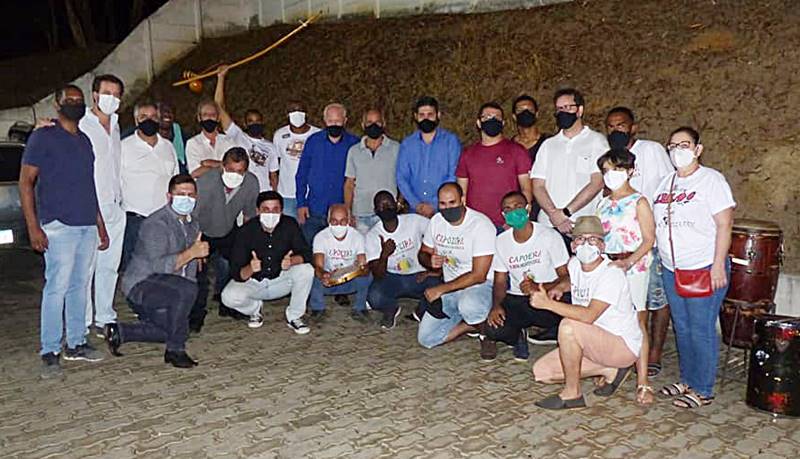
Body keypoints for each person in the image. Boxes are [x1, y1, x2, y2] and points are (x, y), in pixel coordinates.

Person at [19, 85, 109, 378]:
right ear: (57, 104)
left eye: (79, 101)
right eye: (69, 100)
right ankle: (49, 349)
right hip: (57, 224)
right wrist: (33, 226)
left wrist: (100, 224)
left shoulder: (84, 141)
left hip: (85, 222)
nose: (74, 104)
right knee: (56, 286)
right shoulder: (43, 137)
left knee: (79, 285)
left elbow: (88, 184)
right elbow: (25, 182)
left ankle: (76, 342)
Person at [653, 127, 735, 409]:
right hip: (672, 268)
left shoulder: (712, 180)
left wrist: (717, 266)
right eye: (673, 145)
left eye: (684, 144)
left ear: (698, 149)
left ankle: (703, 388)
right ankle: (688, 379)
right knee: (683, 327)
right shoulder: (666, 182)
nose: (678, 150)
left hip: (703, 266)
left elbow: (725, 224)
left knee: (701, 328)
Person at [531, 216, 642, 410]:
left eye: (593, 239)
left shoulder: (611, 273)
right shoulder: (574, 264)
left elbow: (589, 315)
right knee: (541, 372)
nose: (586, 244)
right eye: (581, 239)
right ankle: (609, 369)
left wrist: (547, 304)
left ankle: (572, 394)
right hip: (592, 341)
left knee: (568, 326)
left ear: (602, 245)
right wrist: (561, 288)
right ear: (573, 245)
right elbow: (574, 280)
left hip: (620, 345)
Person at [108, 174, 206, 368]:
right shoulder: (156, 223)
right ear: (169, 196)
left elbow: (191, 269)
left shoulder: (193, 223)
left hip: (173, 289)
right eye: (181, 194)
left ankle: (120, 331)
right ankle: (175, 350)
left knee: (175, 326)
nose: (186, 199)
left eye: (190, 195)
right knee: (185, 294)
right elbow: (158, 266)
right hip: (142, 284)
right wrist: (192, 253)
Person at [605, 106, 674, 376]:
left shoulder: (652, 150)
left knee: (655, 301)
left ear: (634, 127)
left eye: (621, 125)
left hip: (649, 241)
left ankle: (654, 351)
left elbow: (670, 185)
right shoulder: (611, 159)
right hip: (620, 246)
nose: (615, 131)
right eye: (610, 127)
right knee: (628, 304)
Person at [596, 148, 656, 405]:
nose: (611, 175)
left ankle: (643, 380)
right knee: (607, 317)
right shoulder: (602, 203)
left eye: (617, 169)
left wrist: (629, 261)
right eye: (606, 170)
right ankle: (610, 367)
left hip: (634, 264)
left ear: (630, 171)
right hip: (608, 265)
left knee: (637, 320)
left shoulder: (639, 201)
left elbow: (649, 238)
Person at [482, 191, 569, 361]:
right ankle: (517, 337)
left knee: (571, 310)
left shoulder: (548, 235)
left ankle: (555, 330)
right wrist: (496, 306)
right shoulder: (501, 241)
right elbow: (500, 281)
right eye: (508, 209)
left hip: (549, 296)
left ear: (528, 208)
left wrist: (539, 287)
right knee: (494, 328)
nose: (513, 212)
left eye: (518, 207)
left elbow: (566, 277)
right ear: (503, 215)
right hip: (518, 298)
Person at [221, 191, 314, 334]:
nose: (271, 214)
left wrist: (292, 261)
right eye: (266, 209)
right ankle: (254, 309)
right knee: (228, 297)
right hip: (254, 282)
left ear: (281, 211)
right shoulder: (245, 231)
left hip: (281, 279)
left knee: (306, 270)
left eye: (275, 210)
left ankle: (295, 316)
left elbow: (307, 254)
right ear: (257, 211)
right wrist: (251, 268)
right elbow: (236, 272)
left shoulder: (290, 225)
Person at [417, 182, 495, 350]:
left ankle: (486, 336)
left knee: (469, 304)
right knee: (426, 339)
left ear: (463, 200)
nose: (447, 208)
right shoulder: (436, 221)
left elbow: (478, 275)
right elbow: (423, 252)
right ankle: (470, 325)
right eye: (442, 204)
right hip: (452, 287)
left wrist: (441, 289)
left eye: (452, 203)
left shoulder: (480, 225)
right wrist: (429, 260)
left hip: (480, 286)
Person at [192, 147, 259, 331]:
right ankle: (196, 315)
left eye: (240, 172)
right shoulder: (207, 181)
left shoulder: (251, 183)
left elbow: (249, 216)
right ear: (222, 166)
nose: (235, 175)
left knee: (233, 267)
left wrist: (247, 246)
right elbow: (194, 216)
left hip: (228, 229)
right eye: (230, 171)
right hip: (203, 232)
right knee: (199, 274)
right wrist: (196, 247)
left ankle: (227, 305)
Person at [79, 74, 126, 337]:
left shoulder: (117, 126)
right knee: (87, 266)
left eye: (116, 94)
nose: (112, 98)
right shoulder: (83, 124)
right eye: (106, 92)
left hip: (116, 205)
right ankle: (84, 320)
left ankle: (105, 315)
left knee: (110, 265)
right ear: (94, 95)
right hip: (90, 206)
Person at [530, 88, 607, 246]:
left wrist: (566, 212)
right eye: (559, 108)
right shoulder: (548, 145)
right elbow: (537, 185)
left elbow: (597, 182)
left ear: (579, 110)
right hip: (549, 224)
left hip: (583, 226)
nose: (563, 112)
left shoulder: (596, 141)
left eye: (568, 107)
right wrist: (554, 214)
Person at [366, 191, 440, 330]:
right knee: (374, 297)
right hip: (393, 278)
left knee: (440, 287)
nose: (386, 208)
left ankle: (420, 312)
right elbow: (378, 275)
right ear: (376, 211)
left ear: (396, 204)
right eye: (381, 206)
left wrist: (432, 271)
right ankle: (391, 309)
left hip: (419, 275)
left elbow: (438, 234)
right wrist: (384, 255)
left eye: (389, 204)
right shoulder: (373, 235)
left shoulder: (414, 220)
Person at [120, 101, 179, 270]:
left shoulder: (168, 147)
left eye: (154, 117)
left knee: (162, 269)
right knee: (136, 272)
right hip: (136, 220)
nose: (149, 120)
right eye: (143, 117)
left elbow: (175, 181)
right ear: (136, 120)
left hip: (163, 220)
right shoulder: (124, 147)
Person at [456, 102, 532, 230]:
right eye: (487, 116)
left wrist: (516, 219)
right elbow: (461, 192)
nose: (492, 120)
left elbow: (526, 189)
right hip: (475, 225)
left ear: (503, 123)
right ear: (479, 123)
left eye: (496, 117)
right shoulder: (467, 154)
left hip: (506, 224)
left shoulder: (517, 151)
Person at [295, 103, 360, 243]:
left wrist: (352, 210)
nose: (334, 124)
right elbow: (302, 174)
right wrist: (301, 204)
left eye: (338, 121)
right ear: (324, 121)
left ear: (345, 120)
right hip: (315, 210)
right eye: (331, 121)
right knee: (309, 250)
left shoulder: (355, 144)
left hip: (342, 213)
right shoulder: (313, 142)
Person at [214, 65, 279, 192]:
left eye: (257, 121)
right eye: (250, 121)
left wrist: (274, 195)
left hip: (263, 194)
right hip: (242, 192)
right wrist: (221, 78)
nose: (254, 124)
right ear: (245, 124)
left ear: (263, 122)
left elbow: (273, 176)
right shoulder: (238, 135)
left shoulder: (271, 147)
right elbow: (218, 107)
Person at [396, 96, 462, 218]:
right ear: (416, 116)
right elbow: (401, 177)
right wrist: (417, 204)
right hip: (414, 211)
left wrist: (435, 203)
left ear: (438, 115)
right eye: (422, 115)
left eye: (430, 114)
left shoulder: (451, 141)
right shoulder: (407, 144)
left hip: (443, 210)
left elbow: (453, 174)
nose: (426, 118)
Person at [309, 204, 372, 322]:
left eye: (343, 221)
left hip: (350, 279)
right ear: (328, 221)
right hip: (328, 282)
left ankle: (360, 308)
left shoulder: (357, 237)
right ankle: (317, 309)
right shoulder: (320, 237)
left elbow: (363, 262)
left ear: (349, 221)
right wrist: (323, 275)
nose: (338, 225)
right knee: (310, 274)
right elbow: (318, 265)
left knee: (368, 275)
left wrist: (360, 268)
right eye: (334, 221)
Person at [344, 108, 400, 234]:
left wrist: (400, 203)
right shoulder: (354, 151)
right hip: (361, 213)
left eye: (377, 122)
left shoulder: (396, 148)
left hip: (386, 212)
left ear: (383, 123)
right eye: (369, 123)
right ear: (363, 125)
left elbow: (403, 179)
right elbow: (349, 184)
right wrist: (348, 210)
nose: (374, 126)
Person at [273, 101, 321, 218]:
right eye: (293, 110)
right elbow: (276, 164)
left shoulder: (318, 134)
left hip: (311, 194)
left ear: (306, 114)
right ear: (287, 115)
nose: (297, 113)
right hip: (286, 193)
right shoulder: (279, 135)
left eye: (300, 110)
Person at [510, 94, 549, 220]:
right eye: (520, 110)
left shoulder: (549, 144)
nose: (525, 113)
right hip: (518, 208)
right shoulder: (509, 147)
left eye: (529, 110)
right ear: (514, 116)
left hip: (546, 206)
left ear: (537, 114)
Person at [185, 99, 236, 176]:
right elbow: (195, 173)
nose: (209, 117)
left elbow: (235, 168)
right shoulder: (193, 143)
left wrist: (209, 163)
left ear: (218, 118)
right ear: (199, 118)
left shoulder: (229, 141)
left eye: (213, 115)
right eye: (205, 115)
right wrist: (222, 165)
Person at [156, 101, 189, 174]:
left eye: (171, 111)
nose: (167, 113)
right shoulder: (148, 136)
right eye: (163, 111)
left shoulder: (182, 136)